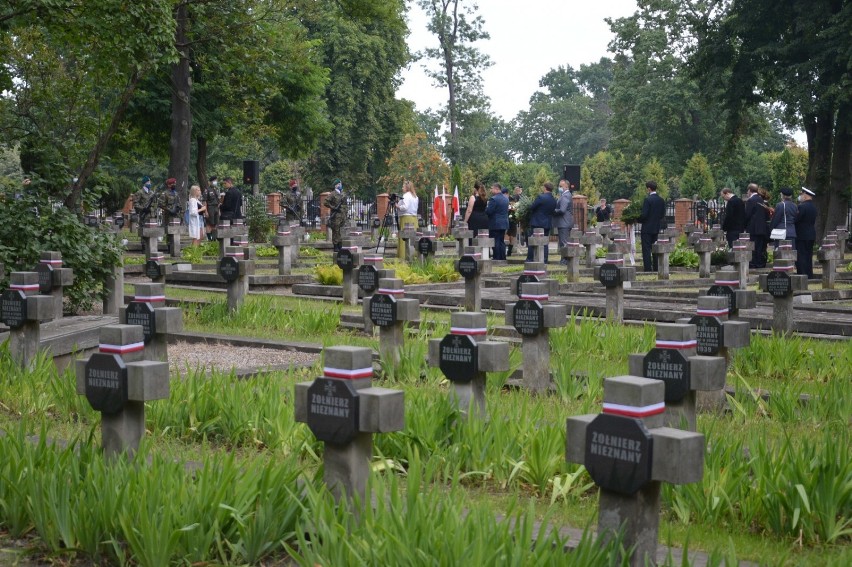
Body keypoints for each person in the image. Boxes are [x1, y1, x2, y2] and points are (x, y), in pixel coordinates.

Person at [525, 182, 558, 263]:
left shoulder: (541, 197)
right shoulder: (554, 200)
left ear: (545, 188)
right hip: (547, 223)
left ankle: (530, 258)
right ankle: (545, 259)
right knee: (545, 242)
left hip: (537, 222)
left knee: (532, 240)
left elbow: (532, 207)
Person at [639, 180, 666, 272]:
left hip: (647, 228)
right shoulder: (661, 200)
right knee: (655, 249)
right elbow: (662, 215)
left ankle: (647, 269)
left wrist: (637, 219)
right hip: (656, 228)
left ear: (649, 189)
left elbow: (644, 215)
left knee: (646, 250)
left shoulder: (648, 200)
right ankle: (656, 268)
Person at [744, 183, 769, 268]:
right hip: (761, 228)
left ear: (749, 191)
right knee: (759, 247)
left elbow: (747, 215)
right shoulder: (761, 199)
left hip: (753, 228)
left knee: (753, 247)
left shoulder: (751, 200)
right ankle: (760, 263)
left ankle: (754, 263)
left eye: (748, 191)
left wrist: (744, 225)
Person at [794, 187, 818, 278]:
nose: (800, 196)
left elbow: (797, 219)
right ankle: (809, 274)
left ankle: (802, 275)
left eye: (801, 194)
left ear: (805, 195)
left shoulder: (802, 206)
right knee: (808, 255)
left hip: (801, 235)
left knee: (801, 256)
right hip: (811, 234)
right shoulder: (813, 207)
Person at [396, 180, 419, 259]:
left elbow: (405, 207)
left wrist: (398, 206)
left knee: (404, 237)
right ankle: (414, 255)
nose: (402, 188)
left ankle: (404, 255)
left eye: (403, 186)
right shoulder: (415, 196)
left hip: (406, 218)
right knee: (413, 238)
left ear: (407, 187)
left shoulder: (406, 195)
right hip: (414, 218)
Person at [486, 182, 509, 260]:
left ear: (496, 189)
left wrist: (486, 208)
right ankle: (502, 257)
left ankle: (496, 257)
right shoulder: (506, 198)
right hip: (504, 223)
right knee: (501, 240)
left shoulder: (493, 199)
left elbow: (489, 211)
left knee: (495, 240)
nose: (491, 190)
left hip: (495, 223)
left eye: (492, 188)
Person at [553, 181, 574, 264]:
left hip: (564, 222)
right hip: (565, 222)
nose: (559, 187)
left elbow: (562, 210)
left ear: (566, 186)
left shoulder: (565, 196)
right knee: (563, 242)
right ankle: (564, 259)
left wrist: (552, 210)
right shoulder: (566, 195)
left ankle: (565, 260)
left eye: (560, 186)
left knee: (564, 243)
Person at [325, 178, 347, 255]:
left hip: (343, 215)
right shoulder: (332, 194)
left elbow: (345, 205)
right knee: (336, 230)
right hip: (336, 215)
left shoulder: (343, 193)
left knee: (341, 230)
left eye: (340, 184)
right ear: (336, 185)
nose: (340, 185)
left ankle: (340, 244)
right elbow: (326, 202)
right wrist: (333, 207)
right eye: (339, 184)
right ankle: (336, 245)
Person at [203, 176, 220, 241]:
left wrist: (219, 210)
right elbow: (205, 201)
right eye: (214, 181)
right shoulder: (207, 190)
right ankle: (209, 239)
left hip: (216, 208)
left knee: (215, 224)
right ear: (210, 182)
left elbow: (218, 201)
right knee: (209, 224)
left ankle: (214, 239)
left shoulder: (216, 190)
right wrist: (206, 211)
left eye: (216, 181)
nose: (216, 182)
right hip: (210, 208)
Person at [507, 185, 523, 254]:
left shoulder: (517, 197)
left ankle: (510, 249)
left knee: (512, 234)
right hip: (511, 217)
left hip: (513, 218)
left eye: (518, 190)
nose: (517, 191)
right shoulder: (512, 198)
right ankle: (510, 247)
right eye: (516, 190)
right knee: (511, 234)